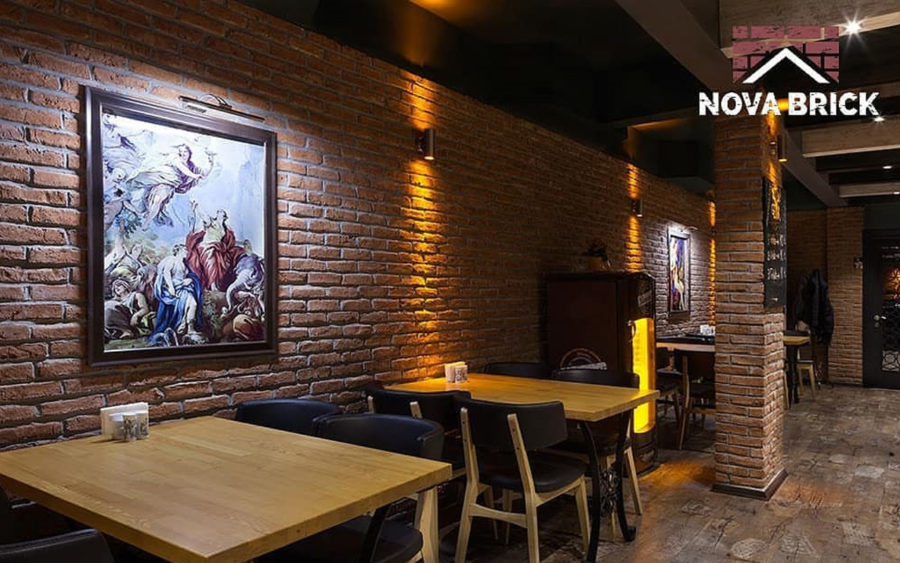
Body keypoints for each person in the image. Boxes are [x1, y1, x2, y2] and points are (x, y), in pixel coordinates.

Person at [133, 144, 213, 229]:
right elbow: (182, 169)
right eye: (180, 151)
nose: (182, 154)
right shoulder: (176, 159)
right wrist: (194, 175)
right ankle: (147, 218)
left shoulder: (192, 167)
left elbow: (204, 173)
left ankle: (147, 221)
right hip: (162, 180)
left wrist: (211, 164)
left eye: (185, 151)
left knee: (157, 200)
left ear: (189, 153)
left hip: (169, 185)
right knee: (154, 201)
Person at [185, 201, 244, 292]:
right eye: (218, 212)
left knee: (221, 261)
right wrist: (196, 207)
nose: (219, 213)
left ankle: (216, 284)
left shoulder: (225, 229)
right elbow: (203, 215)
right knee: (211, 260)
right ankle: (213, 285)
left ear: (224, 217)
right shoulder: (211, 222)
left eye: (221, 212)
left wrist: (242, 243)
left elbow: (231, 242)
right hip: (206, 246)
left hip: (218, 248)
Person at [150, 244, 203, 343]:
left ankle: (189, 327)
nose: (187, 252)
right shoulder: (172, 260)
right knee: (192, 304)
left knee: (193, 304)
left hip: (185, 288)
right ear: (178, 250)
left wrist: (190, 279)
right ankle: (185, 326)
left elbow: (188, 275)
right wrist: (170, 287)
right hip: (176, 287)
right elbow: (166, 272)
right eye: (185, 250)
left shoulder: (184, 263)